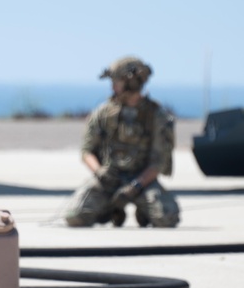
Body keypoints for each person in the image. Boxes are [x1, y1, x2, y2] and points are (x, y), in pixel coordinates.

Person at [63, 56, 180, 228]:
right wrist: (99, 172)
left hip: (141, 180)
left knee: (166, 218)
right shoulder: (103, 113)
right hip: (108, 178)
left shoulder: (156, 115)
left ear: (131, 83)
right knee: (75, 217)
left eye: (116, 82)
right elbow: (86, 150)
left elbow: (159, 161)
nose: (112, 87)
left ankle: (143, 211)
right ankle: (109, 210)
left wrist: (136, 186)